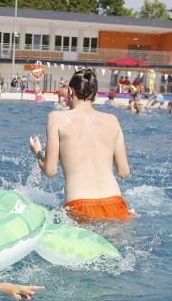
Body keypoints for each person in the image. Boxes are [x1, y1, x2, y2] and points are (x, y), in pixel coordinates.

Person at [29, 69, 132, 222]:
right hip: (115, 204)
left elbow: (50, 172)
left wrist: (37, 152)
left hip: (79, 207)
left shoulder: (56, 118)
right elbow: (124, 173)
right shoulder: (112, 120)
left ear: (70, 91)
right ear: (95, 95)